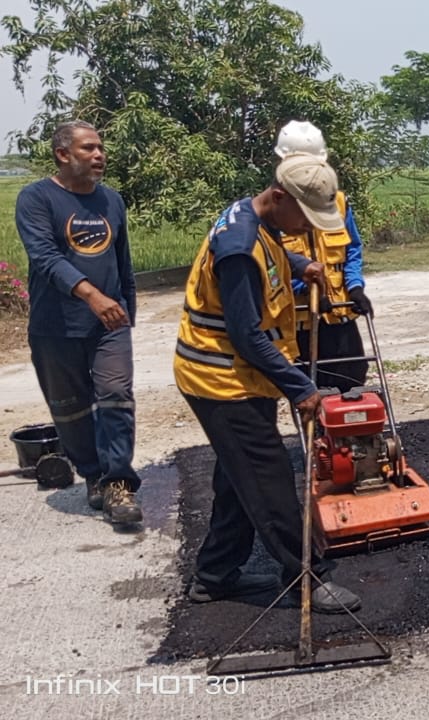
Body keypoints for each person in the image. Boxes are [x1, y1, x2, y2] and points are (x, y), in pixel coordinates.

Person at [173, 154, 360, 613]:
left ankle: (214, 576)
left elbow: (272, 247)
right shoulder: (237, 247)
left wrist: (299, 264)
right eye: (303, 215)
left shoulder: (253, 215)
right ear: (278, 196)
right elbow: (246, 333)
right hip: (221, 378)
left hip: (242, 377)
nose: (306, 226)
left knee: (238, 478)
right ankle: (308, 577)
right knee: (269, 477)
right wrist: (300, 387)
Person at [15, 120, 142, 525]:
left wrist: (126, 312)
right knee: (70, 409)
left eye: (100, 147)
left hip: (109, 323)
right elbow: (46, 258)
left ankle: (119, 483)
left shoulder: (111, 202)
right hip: (56, 326)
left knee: (116, 395)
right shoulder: (36, 199)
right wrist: (92, 295)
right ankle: (94, 476)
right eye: (88, 148)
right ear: (63, 154)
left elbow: (122, 262)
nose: (99, 154)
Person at [274, 120, 372, 392]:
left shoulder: (338, 201)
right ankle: (315, 434)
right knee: (310, 386)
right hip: (301, 317)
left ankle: (353, 434)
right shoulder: (277, 208)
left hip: (340, 313)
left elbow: (352, 248)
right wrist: (307, 287)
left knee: (353, 377)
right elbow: (272, 265)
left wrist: (354, 287)